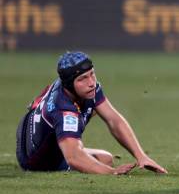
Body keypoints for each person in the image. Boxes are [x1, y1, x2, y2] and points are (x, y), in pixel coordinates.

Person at [16, 51, 167, 175]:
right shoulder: (64, 111)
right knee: (103, 161)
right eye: (83, 78)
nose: (91, 82)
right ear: (69, 84)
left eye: (92, 74)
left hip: (30, 129)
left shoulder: (78, 87)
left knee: (104, 156)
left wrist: (141, 156)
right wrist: (111, 172)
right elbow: (73, 157)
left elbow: (114, 120)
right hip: (36, 160)